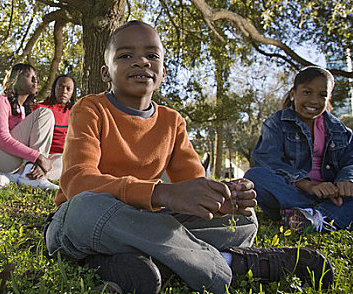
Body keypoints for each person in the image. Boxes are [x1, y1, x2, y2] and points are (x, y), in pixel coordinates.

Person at [43, 21, 333, 294]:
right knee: (85, 209)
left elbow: (195, 187)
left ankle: (130, 264)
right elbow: (78, 182)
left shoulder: (171, 121)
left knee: (246, 222)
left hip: (146, 223)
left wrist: (224, 199)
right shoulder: (90, 109)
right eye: (125, 55)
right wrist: (160, 193)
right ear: (106, 72)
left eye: (151, 56)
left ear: (163, 72)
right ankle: (232, 264)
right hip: (85, 220)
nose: (141, 61)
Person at [245, 66, 353, 232]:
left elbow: (351, 159)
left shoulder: (339, 129)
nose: (314, 100)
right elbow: (267, 161)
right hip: (291, 194)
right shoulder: (276, 123)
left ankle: (310, 217)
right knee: (254, 176)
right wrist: (307, 185)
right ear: (293, 93)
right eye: (307, 92)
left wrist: (346, 180)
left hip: (331, 196)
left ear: (329, 98)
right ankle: (321, 216)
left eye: (322, 95)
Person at [0, 63, 58, 190]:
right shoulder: (0, 101)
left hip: (13, 163)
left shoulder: (26, 110)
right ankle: (28, 176)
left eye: (35, 77)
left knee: (61, 160)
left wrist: (39, 158)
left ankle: (14, 177)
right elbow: (3, 140)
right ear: (15, 79)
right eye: (28, 76)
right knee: (45, 113)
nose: (35, 80)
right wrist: (37, 157)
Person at [33, 75, 76, 180]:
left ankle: (35, 176)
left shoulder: (75, 113)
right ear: (54, 88)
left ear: (72, 93)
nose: (64, 91)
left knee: (69, 165)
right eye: (60, 87)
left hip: (59, 157)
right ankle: (34, 170)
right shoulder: (40, 108)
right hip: (38, 155)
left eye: (68, 89)